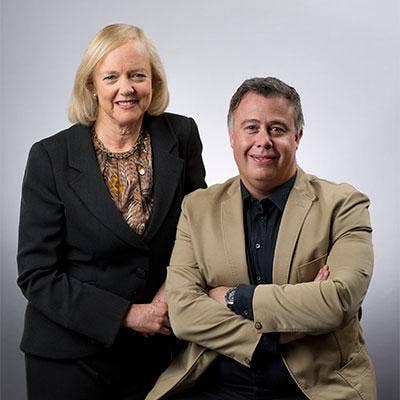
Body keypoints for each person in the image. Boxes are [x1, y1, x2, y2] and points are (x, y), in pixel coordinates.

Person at [146, 77, 376, 400]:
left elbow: (338, 302)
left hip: (315, 386)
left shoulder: (344, 205)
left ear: (297, 137)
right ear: (232, 137)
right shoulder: (197, 208)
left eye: (277, 129)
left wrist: (233, 297)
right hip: (217, 384)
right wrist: (273, 336)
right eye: (251, 128)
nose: (263, 141)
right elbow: (183, 313)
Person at [17, 23, 206, 400]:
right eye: (111, 77)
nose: (127, 88)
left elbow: (198, 233)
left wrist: (167, 295)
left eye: (138, 75)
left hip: (158, 351)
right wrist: (130, 315)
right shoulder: (50, 157)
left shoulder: (181, 135)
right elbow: (37, 275)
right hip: (70, 355)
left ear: (153, 81)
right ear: (91, 85)